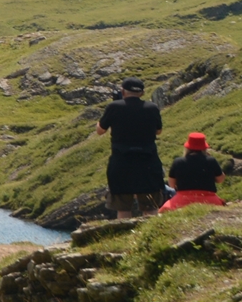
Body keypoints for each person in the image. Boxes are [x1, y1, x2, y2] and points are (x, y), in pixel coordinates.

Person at [97, 78, 165, 219]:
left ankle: (124, 230)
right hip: (147, 160)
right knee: (150, 205)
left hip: (122, 161)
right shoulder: (152, 108)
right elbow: (158, 131)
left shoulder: (114, 107)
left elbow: (100, 130)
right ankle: (151, 230)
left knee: (123, 207)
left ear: (123, 92)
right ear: (142, 93)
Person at [161, 131, 226, 211]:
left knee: (164, 211)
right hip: (208, 199)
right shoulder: (211, 161)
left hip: (182, 199)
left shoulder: (178, 162)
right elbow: (220, 179)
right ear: (204, 148)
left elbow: (172, 185)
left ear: (187, 147)